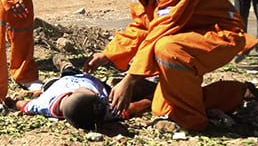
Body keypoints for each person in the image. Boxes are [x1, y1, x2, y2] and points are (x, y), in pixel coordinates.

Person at [83, 0, 257, 132]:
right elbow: (142, 26)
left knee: (166, 49)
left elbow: (160, 31)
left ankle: (191, 121)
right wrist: (107, 54)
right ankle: (238, 93)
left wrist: (130, 80)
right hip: (184, 38)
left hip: (221, 35)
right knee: (161, 108)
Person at [8, 55, 155, 131]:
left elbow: (25, 106)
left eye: (93, 94)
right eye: (97, 96)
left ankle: (63, 67)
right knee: (113, 86)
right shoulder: (103, 110)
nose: (99, 97)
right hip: (96, 82)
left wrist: (12, 102)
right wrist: (152, 98)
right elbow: (134, 107)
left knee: (65, 74)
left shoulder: (45, 104)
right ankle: (66, 65)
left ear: (71, 95)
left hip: (60, 82)